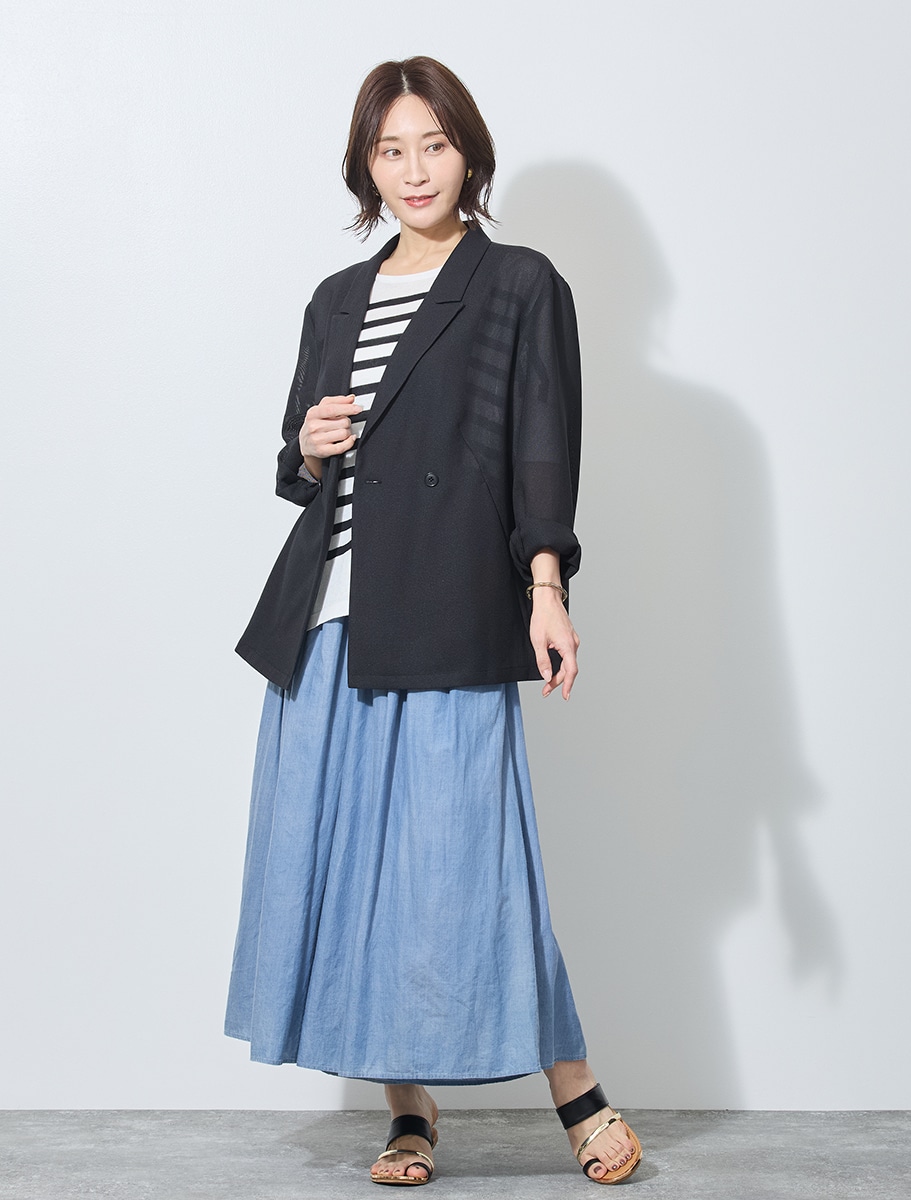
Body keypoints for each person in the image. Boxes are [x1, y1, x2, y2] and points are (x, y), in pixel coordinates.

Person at [225, 56, 641, 1187]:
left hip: (448, 604)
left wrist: (546, 589)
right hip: (327, 621)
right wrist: (306, 448)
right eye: (390, 150)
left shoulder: (517, 284)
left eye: (434, 145)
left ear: (469, 152)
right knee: (353, 872)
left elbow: (542, 448)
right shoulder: (335, 299)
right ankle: (408, 1112)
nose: (414, 170)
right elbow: (300, 466)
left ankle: (577, 1090)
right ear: (366, 166)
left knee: (469, 863)